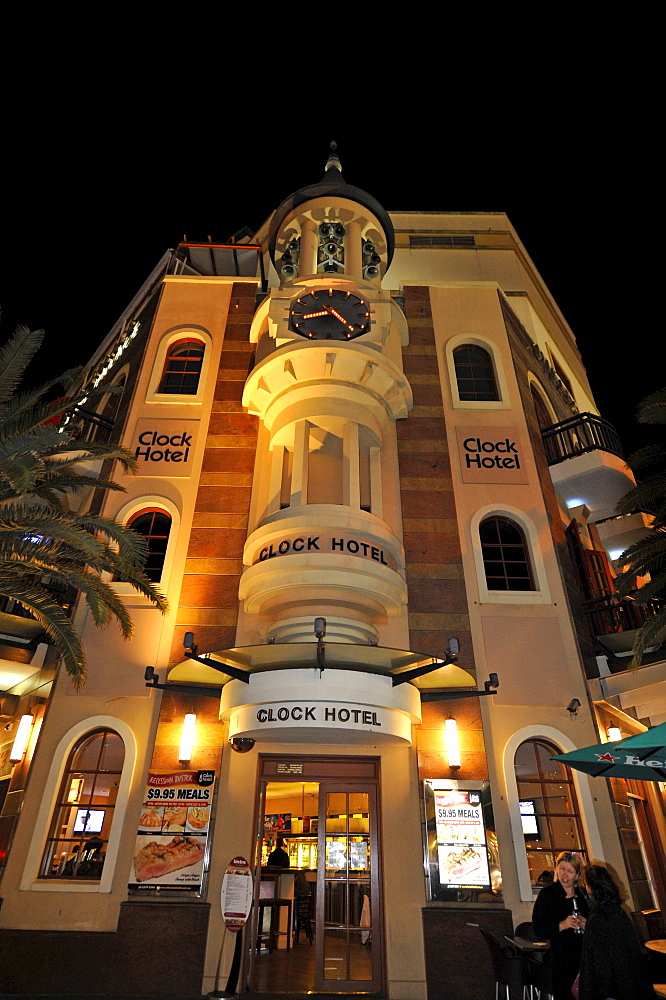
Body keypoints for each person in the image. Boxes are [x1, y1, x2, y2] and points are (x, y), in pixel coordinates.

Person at [578, 864, 655, 1000]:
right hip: (630, 985)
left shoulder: (597, 917)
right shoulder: (619, 912)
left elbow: (595, 961)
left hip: (609, 989)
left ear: (591, 888)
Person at [532, 851, 590, 1000]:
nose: (565, 875)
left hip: (585, 958)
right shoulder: (548, 895)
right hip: (561, 959)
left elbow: (597, 921)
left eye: (570, 871)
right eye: (562, 869)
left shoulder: (583, 894)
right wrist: (561, 925)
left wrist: (586, 925)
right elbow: (538, 927)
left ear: (577, 875)